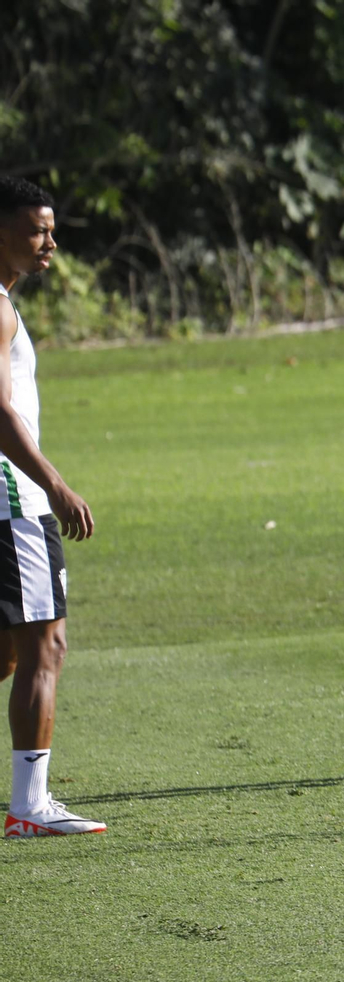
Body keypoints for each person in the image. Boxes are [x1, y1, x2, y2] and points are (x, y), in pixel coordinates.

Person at [0, 177, 100, 837]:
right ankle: (29, 808)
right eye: (37, 229)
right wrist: (55, 485)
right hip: (13, 497)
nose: (50, 243)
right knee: (47, 640)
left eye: (51, 230)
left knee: (9, 654)